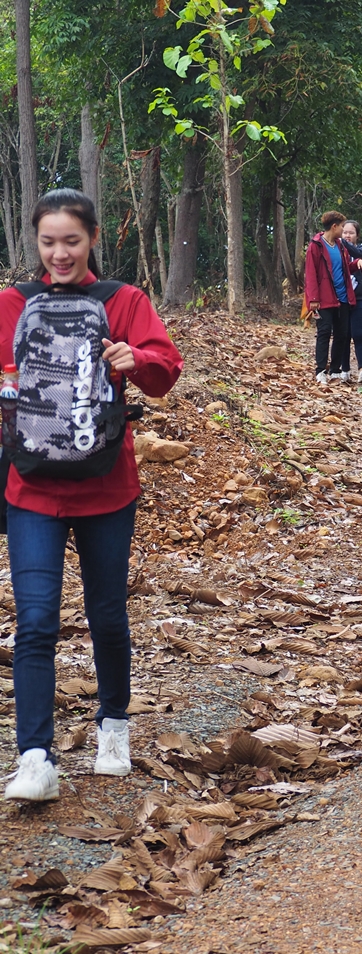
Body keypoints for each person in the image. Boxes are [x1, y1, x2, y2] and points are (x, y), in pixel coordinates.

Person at [0, 188, 183, 801]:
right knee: (35, 621)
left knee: (107, 613)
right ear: (35, 242)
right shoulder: (10, 304)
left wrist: (136, 358)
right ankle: (35, 759)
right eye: (47, 242)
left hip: (107, 484)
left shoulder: (123, 301)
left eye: (71, 241)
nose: (58, 253)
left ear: (94, 239)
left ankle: (113, 726)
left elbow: (164, 371)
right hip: (30, 486)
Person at [303, 211, 356, 384]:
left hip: (342, 298)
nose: (343, 230)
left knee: (342, 334)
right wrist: (313, 299)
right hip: (323, 299)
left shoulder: (340, 246)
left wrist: (356, 264)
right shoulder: (316, 246)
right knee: (324, 332)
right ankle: (320, 371)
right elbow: (310, 274)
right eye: (342, 226)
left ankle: (335, 370)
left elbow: (345, 268)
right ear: (334, 226)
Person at [340, 220, 362, 384]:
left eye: (351, 233)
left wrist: (342, 242)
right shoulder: (336, 251)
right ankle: (344, 369)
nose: (347, 235)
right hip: (342, 298)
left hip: (360, 297)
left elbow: (356, 252)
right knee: (344, 335)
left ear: (357, 235)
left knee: (358, 334)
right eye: (344, 232)